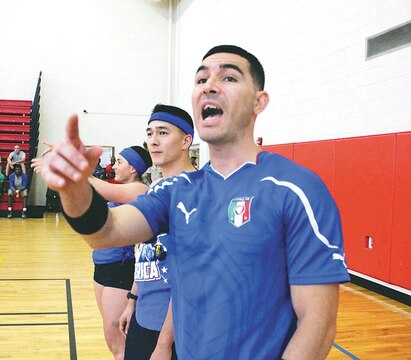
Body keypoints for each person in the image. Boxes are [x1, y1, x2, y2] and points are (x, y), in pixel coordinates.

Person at [39, 45, 350, 359]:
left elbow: (318, 323)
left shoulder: (297, 188)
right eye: (201, 79)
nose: (209, 85)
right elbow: (105, 231)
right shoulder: (176, 189)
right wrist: (74, 189)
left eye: (228, 77)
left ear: (259, 101)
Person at [119, 104, 196, 360]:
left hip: (176, 330)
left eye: (162, 133)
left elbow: (189, 276)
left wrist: (164, 343)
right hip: (144, 317)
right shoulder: (156, 187)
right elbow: (145, 251)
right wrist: (132, 299)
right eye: (149, 133)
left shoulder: (198, 191)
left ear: (186, 141)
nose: (153, 141)